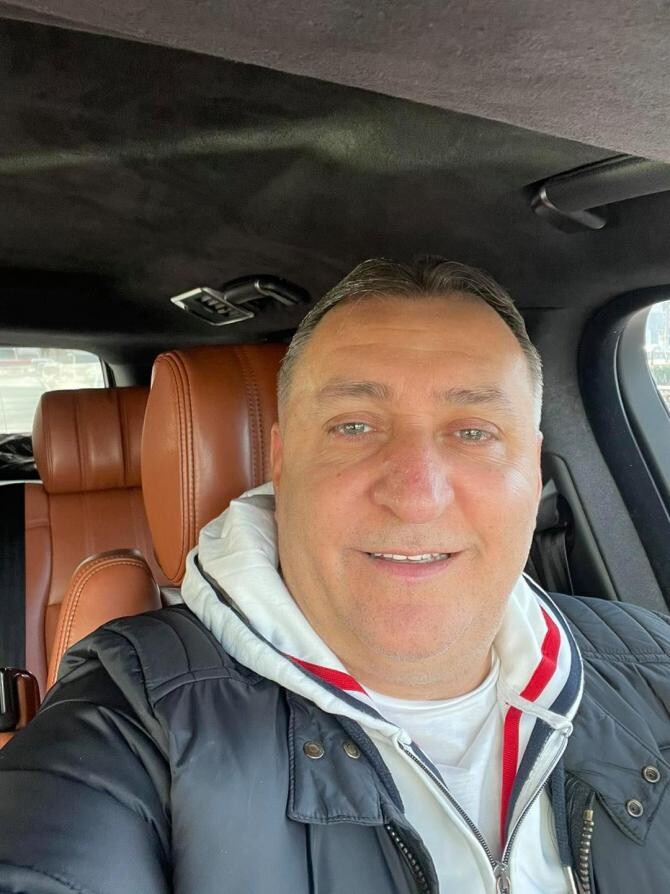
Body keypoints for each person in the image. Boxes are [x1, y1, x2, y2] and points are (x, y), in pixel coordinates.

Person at [1, 257, 669, 894]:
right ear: (282, 460)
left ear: (534, 467)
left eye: (473, 432)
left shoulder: (654, 662)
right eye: (353, 426)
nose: (417, 497)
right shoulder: (132, 717)